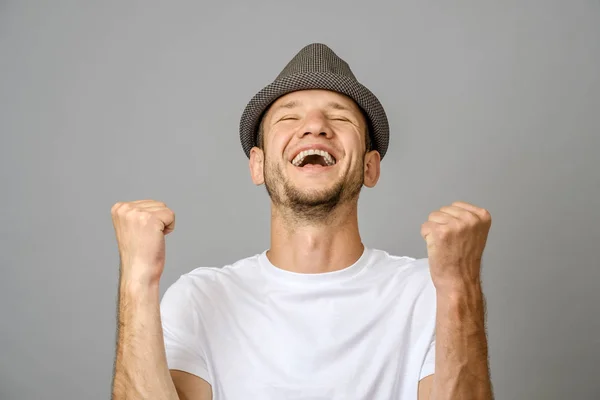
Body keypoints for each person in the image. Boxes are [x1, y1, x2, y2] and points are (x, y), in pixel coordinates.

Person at [110, 43, 493, 400]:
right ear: (258, 165)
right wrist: (137, 280)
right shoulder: (200, 299)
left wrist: (460, 287)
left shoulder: (428, 293)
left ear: (369, 166)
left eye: (339, 117)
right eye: (289, 116)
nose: (315, 126)